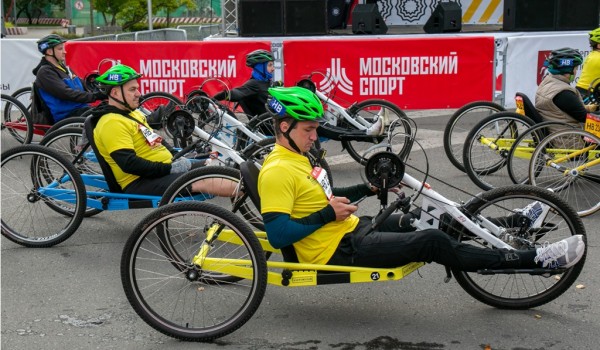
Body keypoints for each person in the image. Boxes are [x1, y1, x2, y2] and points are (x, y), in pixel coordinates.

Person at [258, 86, 585, 271]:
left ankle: (514, 222)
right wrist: (329, 214)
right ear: (284, 128)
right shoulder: (277, 171)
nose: (316, 137)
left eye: (315, 129)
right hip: (336, 249)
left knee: (429, 216)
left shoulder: (298, 158)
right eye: (309, 130)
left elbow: (325, 195)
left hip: (349, 229)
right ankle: (534, 260)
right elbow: (277, 235)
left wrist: (368, 187)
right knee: (433, 240)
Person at [91, 64, 237, 197]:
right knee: (207, 179)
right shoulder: (111, 123)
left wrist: (175, 156)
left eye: (137, 88)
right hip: (141, 181)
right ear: (115, 93)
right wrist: (169, 169)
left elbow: (154, 140)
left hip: (161, 170)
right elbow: (130, 165)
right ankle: (251, 195)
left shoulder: (133, 113)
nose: (139, 94)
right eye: (132, 89)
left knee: (217, 164)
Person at [32, 34, 105, 124]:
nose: (65, 52)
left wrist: (100, 86)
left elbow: (81, 83)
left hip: (79, 108)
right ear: (49, 51)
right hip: (66, 114)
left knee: (106, 109)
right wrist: (95, 96)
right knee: (103, 117)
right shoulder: (45, 72)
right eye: (60, 49)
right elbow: (66, 93)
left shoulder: (63, 68)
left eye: (64, 48)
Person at [536, 47, 598, 136]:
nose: (576, 71)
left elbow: (570, 110)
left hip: (558, 133)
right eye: (575, 68)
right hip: (570, 140)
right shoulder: (563, 93)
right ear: (567, 70)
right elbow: (585, 117)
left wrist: (592, 108)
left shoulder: (548, 82)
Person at [213, 49, 279, 118]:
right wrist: (213, 99)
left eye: (272, 65)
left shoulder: (265, 82)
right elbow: (236, 93)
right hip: (270, 125)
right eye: (270, 65)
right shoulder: (253, 84)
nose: (273, 68)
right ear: (260, 67)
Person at [576, 28, 600, 100]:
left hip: (583, 93)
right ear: (599, 45)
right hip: (589, 96)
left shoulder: (593, 55)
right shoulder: (598, 57)